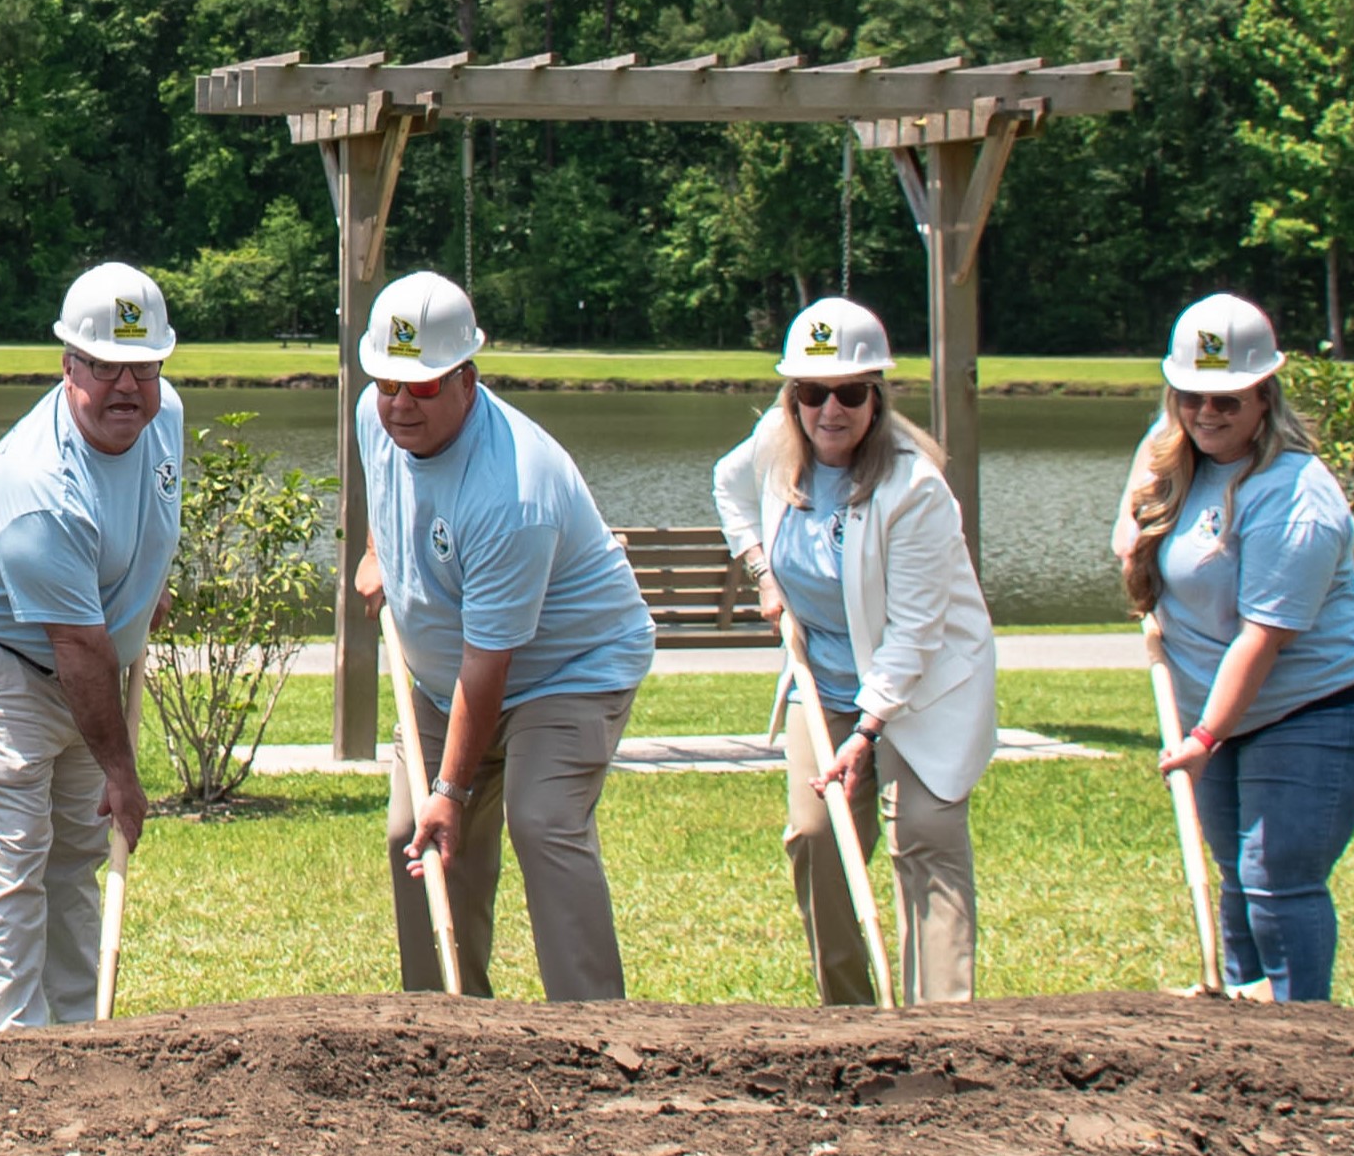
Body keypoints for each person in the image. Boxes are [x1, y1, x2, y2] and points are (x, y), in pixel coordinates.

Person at [352, 268, 652, 1001]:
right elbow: (386, 487)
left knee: (542, 820)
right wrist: (374, 550)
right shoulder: (374, 413)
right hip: (440, 675)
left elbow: (488, 670)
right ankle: (445, 1023)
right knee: (410, 838)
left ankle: (595, 1026)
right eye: (388, 381)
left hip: (566, 670)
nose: (399, 402)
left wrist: (451, 788)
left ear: (466, 377)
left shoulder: (513, 493)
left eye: (420, 386)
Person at [0, 262, 184, 1029]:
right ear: (69, 366)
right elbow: (80, 651)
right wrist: (123, 773)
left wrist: (147, 580)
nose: (127, 385)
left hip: (72, 654)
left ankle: (76, 1038)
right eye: (104, 367)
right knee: (11, 859)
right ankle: (17, 1051)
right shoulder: (36, 489)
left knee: (75, 855)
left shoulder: (165, 417)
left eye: (144, 366)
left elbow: (154, 506)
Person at [1114, 293, 1354, 1002]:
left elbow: (1262, 635)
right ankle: (1242, 1025)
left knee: (1274, 872)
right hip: (1224, 701)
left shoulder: (1294, 495)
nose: (1207, 413)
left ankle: (1301, 1031)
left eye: (1227, 400)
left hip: (1322, 698)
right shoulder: (1171, 455)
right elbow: (1130, 534)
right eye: (1191, 397)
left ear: (1262, 395)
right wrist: (1135, 543)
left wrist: (1205, 733)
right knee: (1237, 875)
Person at [712, 298, 998, 1006]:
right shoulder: (777, 441)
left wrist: (867, 730)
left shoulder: (915, 489)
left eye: (847, 392)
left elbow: (914, 632)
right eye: (810, 392)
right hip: (823, 683)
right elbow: (727, 487)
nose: (827, 410)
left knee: (923, 838)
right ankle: (847, 1013)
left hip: (922, 689)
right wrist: (761, 571)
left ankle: (940, 1021)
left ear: (876, 394)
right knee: (815, 836)